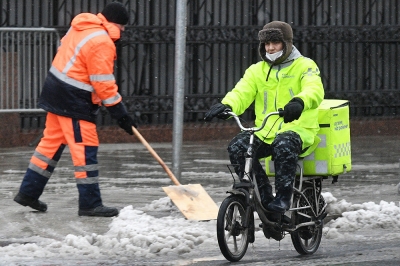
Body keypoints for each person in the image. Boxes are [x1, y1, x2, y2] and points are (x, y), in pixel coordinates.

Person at [13, 2, 137, 217]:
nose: (123, 33)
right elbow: (103, 83)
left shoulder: (82, 26)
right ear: (117, 24)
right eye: (123, 28)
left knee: (49, 147)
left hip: (56, 92)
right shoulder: (102, 41)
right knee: (85, 150)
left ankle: (28, 192)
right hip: (74, 101)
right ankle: (90, 203)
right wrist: (120, 113)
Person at [204, 21, 324, 214]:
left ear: (287, 43)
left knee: (284, 144)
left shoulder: (305, 65)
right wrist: (227, 105)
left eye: (275, 42)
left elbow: (314, 89)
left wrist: (300, 102)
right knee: (237, 147)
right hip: (265, 131)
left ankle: (284, 198)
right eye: (266, 43)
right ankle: (264, 192)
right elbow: (241, 92)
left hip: (298, 130)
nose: (270, 48)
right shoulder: (256, 70)